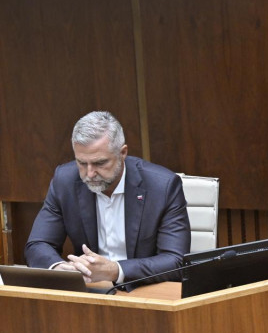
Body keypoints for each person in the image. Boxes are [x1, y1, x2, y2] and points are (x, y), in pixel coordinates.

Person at [25, 111, 190, 287]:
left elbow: (175, 261)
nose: (89, 174)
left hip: (145, 291)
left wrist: (116, 270)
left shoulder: (163, 186)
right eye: (81, 163)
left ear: (123, 153)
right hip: (92, 292)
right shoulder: (64, 181)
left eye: (100, 163)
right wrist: (59, 268)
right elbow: (37, 244)